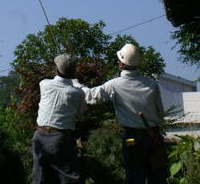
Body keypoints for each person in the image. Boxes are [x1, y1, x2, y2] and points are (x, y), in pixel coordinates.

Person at [73, 43, 167, 184]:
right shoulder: (151, 83)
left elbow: (91, 96)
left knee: (134, 176)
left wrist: (76, 84)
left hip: (131, 138)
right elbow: (161, 112)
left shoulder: (115, 85)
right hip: (154, 137)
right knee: (157, 176)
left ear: (121, 64)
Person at [32, 53, 86, 184]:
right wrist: (77, 85)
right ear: (73, 73)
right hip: (60, 138)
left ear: (56, 70)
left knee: (40, 178)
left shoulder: (44, 84)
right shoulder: (77, 93)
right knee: (70, 178)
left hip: (39, 135)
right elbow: (81, 113)